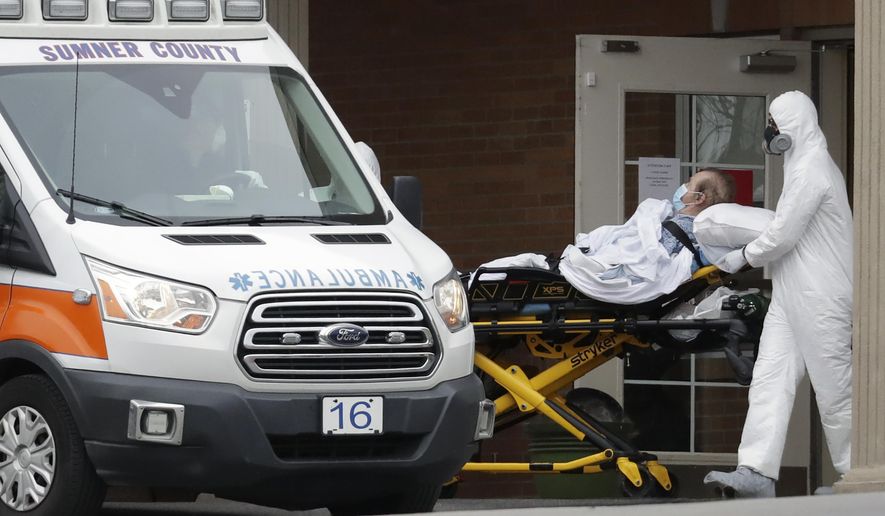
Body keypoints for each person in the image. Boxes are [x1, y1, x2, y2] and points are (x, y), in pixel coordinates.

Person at [704, 91, 853, 497]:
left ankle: (857, 475)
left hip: (822, 294)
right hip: (793, 290)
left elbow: (782, 235)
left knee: (835, 388)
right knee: (770, 377)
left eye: (774, 123)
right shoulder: (800, 166)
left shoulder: (813, 171)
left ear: (792, 125)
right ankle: (756, 470)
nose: (770, 132)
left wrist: (739, 258)